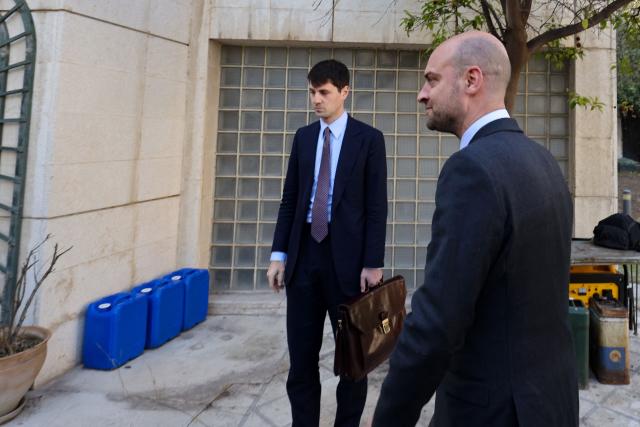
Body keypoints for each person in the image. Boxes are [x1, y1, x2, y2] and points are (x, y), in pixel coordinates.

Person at [372, 32, 578, 426]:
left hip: (493, 411)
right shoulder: (544, 161)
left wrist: (388, 419)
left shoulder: (472, 171)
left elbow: (436, 325)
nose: (422, 94)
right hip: (552, 404)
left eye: (432, 79)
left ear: (471, 80)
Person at [267, 59, 387, 427]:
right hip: (304, 258)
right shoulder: (304, 138)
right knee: (301, 361)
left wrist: (373, 263)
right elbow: (290, 199)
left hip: (349, 264)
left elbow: (376, 206)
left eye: (324, 93)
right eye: (312, 92)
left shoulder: (369, 140)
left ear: (344, 92)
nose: (316, 100)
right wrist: (278, 254)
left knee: (353, 361)